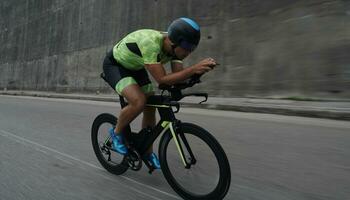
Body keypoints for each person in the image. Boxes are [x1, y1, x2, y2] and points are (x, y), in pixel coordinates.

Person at [102, 17, 217, 169]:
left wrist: (197, 75)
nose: (189, 52)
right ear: (174, 41)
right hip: (116, 66)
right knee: (139, 101)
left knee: (151, 105)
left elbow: (176, 79)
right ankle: (116, 133)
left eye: (192, 48)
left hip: (136, 68)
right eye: (187, 46)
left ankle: (147, 152)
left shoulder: (177, 51)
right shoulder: (151, 43)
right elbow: (162, 80)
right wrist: (194, 68)